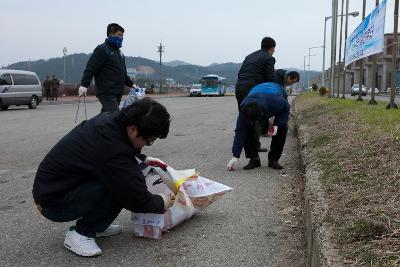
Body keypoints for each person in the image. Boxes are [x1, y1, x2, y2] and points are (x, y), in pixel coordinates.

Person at [32, 98, 175, 257]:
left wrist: (143, 159)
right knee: (122, 186)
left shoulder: (114, 121)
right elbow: (136, 197)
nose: (146, 145)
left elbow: (122, 154)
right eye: (149, 141)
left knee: (123, 176)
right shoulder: (111, 146)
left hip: (60, 188)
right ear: (134, 130)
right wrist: (162, 201)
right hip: (53, 203)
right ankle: (81, 233)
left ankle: (98, 223)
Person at [78, 23, 135, 113]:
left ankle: (97, 127)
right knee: (114, 115)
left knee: (106, 117)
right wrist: (84, 85)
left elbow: (123, 73)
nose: (121, 38)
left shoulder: (120, 53)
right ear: (110, 34)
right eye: (119, 35)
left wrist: (132, 85)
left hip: (118, 92)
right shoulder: (102, 49)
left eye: (122, 36)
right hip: (106, 92)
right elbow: (91, 67)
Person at [227, 92, 290, 171]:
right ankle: (254, 159)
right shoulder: (243, 111)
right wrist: (235, 156)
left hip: (275, 92)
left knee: (282, 128)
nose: (253, 123)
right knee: (247, 130)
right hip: (257, 98)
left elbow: (286, 108)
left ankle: (273, 160)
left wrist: (277, 125)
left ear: (262, 114)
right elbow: (240, 133)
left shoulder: (276, 102)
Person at [235, 36, 277, 109]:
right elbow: (271, 79)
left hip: (239, 87)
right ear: (272, 48)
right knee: (256, 116)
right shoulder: (269, 58)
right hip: (252, 89)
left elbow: (240, 73)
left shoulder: (249, 56)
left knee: (243, 114)